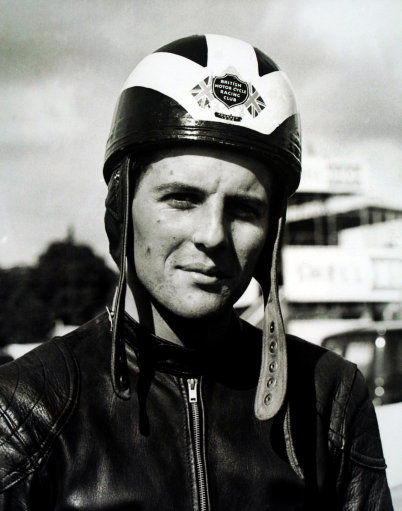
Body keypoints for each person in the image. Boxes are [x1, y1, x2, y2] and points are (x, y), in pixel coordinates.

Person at [0, 35, 393, 510]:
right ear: (121, 210)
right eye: (182, 199)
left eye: (244, 209)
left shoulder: (330, 397)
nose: (212, 235)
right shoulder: (24, 409)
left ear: (271, 230)